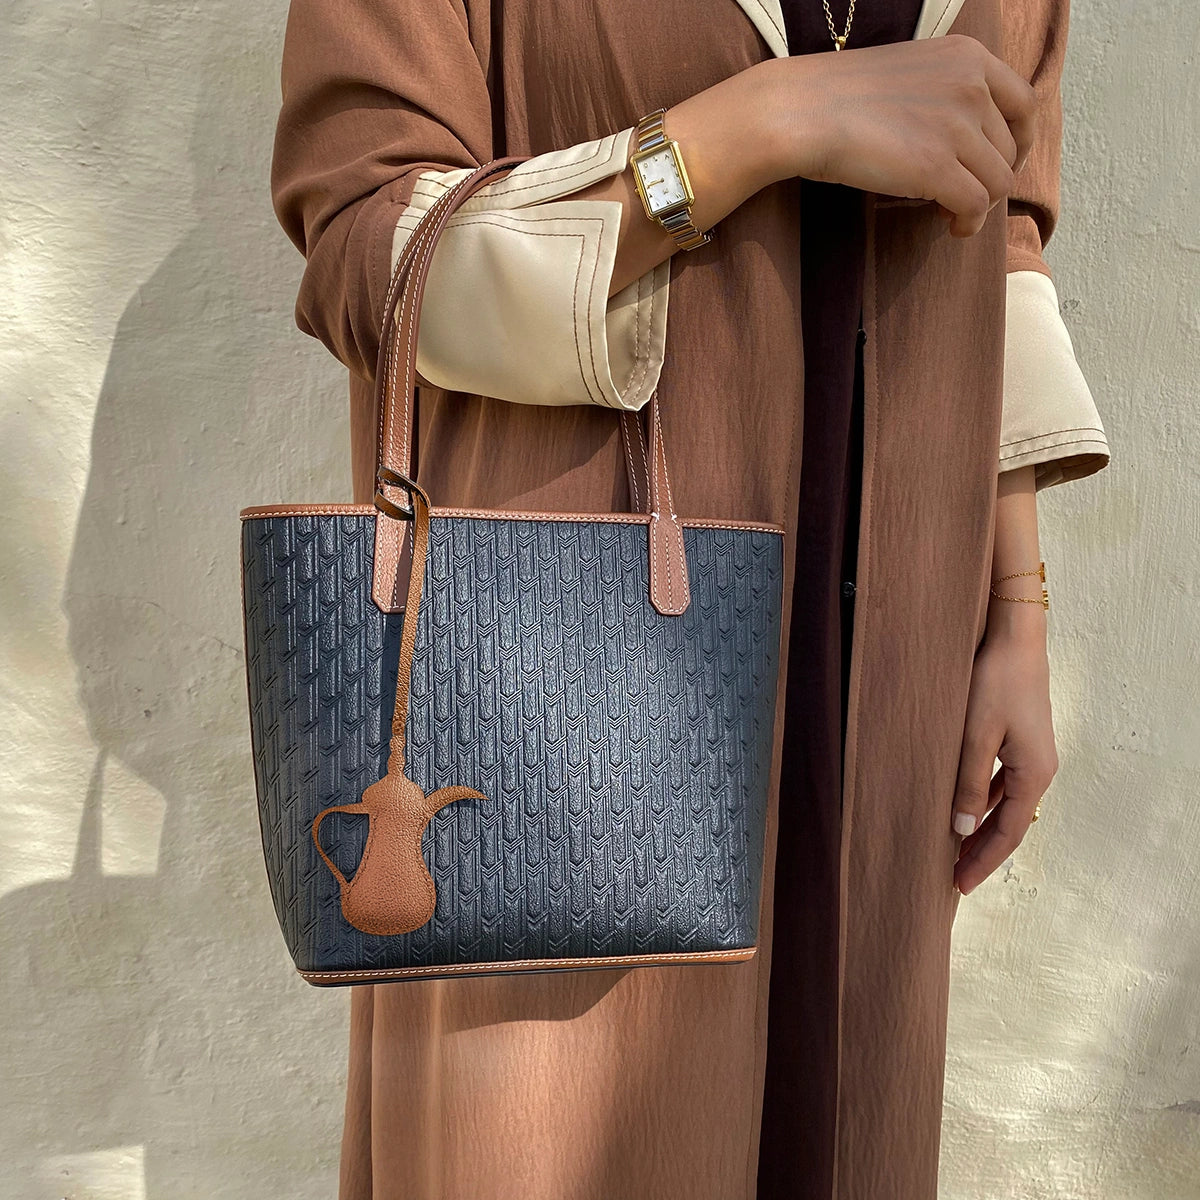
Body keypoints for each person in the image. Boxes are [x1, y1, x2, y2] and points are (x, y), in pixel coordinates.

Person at [270, 0, 1110, 1196]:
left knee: (844, 1112)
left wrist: (1018, 610)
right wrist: (757, 127)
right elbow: (368, 249)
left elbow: (1001, 236)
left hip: (885, 659)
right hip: (564, 693)